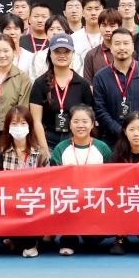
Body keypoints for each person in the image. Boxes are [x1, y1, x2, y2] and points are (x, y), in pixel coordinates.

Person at [50, 105, 112, 256]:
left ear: (92, 124)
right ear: (70, 124)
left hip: (95, 201)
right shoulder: (60, 148)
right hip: (69, 201)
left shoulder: (102, 148)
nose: (80, 125)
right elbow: (54, 180)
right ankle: (68, 238)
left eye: (85, 121)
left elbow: (111, 178)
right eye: (76, 121)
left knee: (93, 240)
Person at [0, 106, 47, 257]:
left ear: (30, 126)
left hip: (32, 204)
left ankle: (25, 242)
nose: (19, 127)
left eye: (23, 123)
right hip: (8, 204)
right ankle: (16, 239)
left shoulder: (40, 153)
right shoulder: (1, 151)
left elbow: (48, 183)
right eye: (14, 124)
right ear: (7, 127)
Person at [92, 28, 139, 141]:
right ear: (111, 47)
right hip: (113, 140)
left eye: (126, 43)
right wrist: (121, 132)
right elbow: (100, 110)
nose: (122, 47)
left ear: (133, 46)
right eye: (117, 44)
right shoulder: (101, 77)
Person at [30, 34, 94, 154]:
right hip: (47, 140)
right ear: (50, 54)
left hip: (75, 140)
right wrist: (44, 149)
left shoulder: (82, 84)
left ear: (72, 54)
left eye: (66, 52)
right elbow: (36, 120)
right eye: (57, 51)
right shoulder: (40, 83)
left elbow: (89, 118)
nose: (62, 55)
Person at [0, 36, 34, 141]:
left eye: (6, 51)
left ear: (14, 52)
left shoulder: (22, 79)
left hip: (12, 136)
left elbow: (23, 110)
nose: (2, 55)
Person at [79, 9, 122, 83]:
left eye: (112, 26)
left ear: (119, 27)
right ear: (99, 26)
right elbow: (88, 84)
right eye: (104, 25)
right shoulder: (91, 55)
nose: (107, 29)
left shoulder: (128, 52)